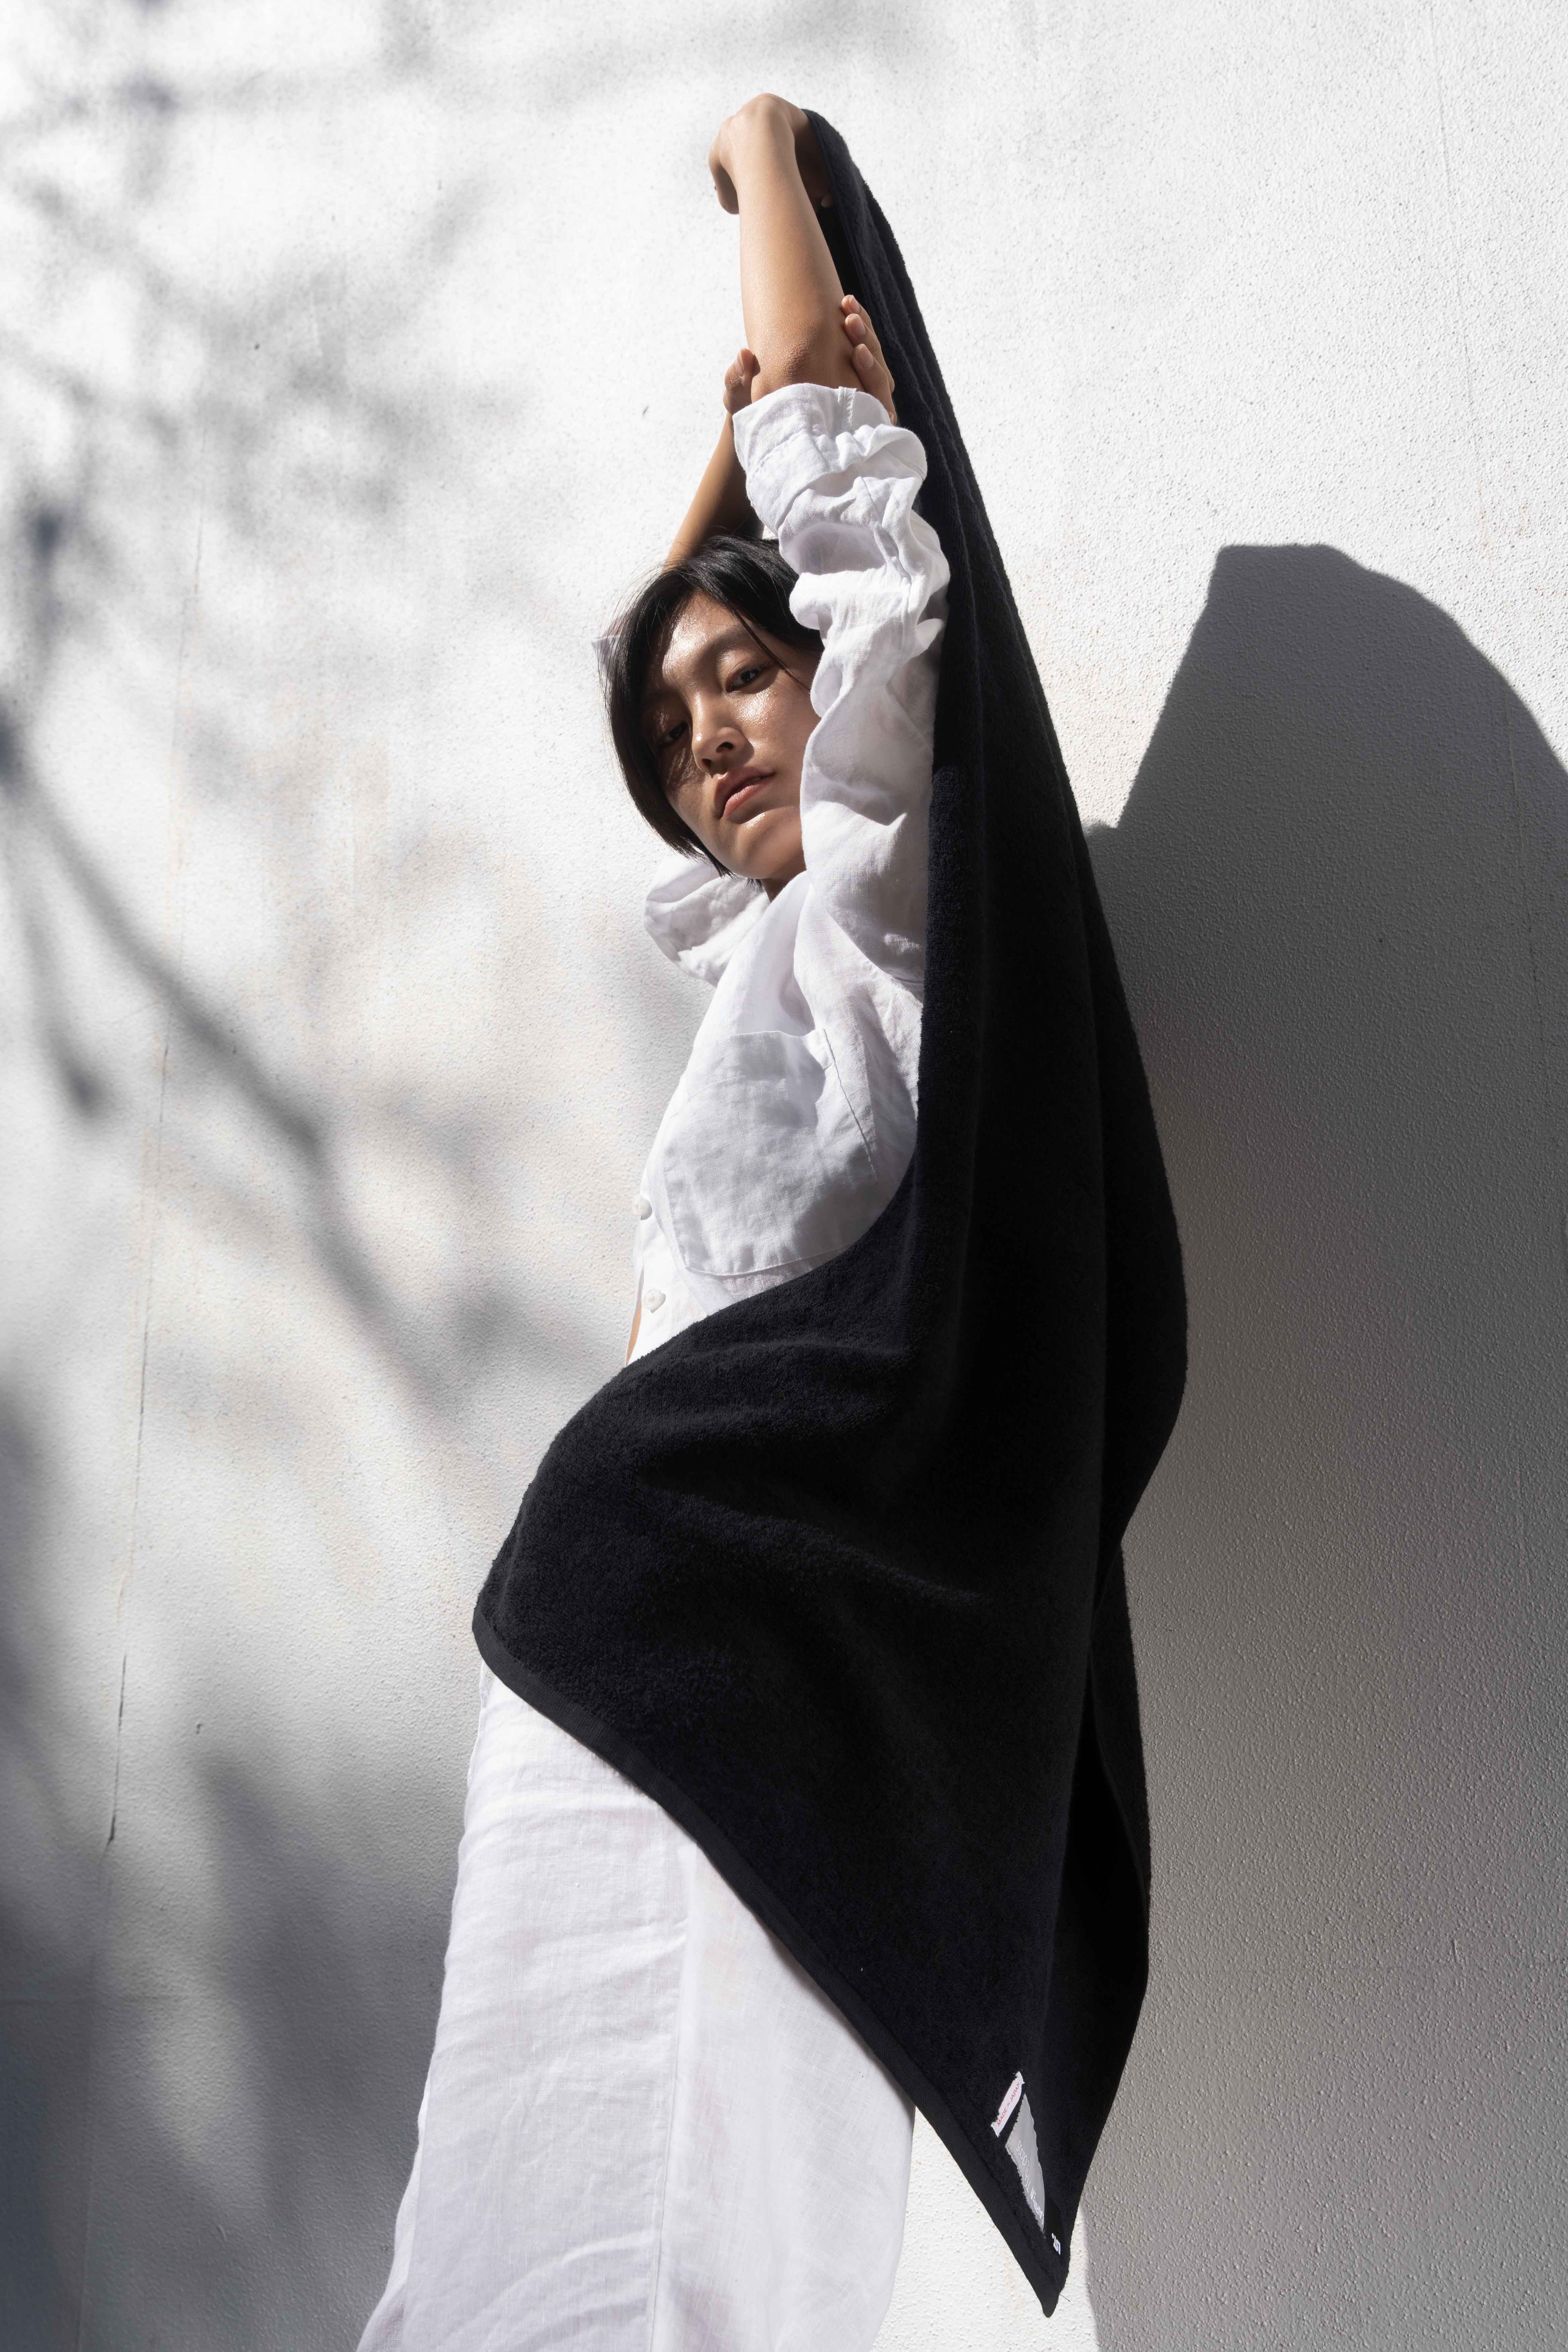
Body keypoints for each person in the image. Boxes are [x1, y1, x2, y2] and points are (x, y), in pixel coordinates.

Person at [356, 95, 949, 2351]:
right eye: (675, 725)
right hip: (602, 1650)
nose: (708, 736)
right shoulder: (761, 953)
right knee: (526, 2191)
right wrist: (721, 499)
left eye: (750, 679)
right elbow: (657, 640)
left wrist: (764, 158)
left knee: (716, 2208)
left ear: (829, 676)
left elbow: (856, 545)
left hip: (749, 1639)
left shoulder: (886, 890)